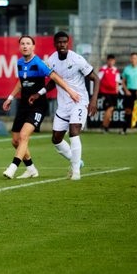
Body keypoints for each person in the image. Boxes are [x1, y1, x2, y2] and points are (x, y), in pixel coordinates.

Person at [1, 35, 81, 180]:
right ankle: (31, 169)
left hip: (38, 106)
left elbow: (56, 78)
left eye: (28, 44)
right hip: (23, 105)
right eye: (23, 44)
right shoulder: (19, 63)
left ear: (33, 47)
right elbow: (21, 82)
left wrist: (71, 92)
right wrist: (10, 97)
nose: (25, 46)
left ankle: (12, 168)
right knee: (15, 140)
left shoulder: (39, 63)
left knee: (24, 136)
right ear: (20, 47)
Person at [29, 32, 99, 181]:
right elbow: (53, 82)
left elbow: (95, 78)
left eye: (65, 42)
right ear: (55, 44)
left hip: (79, 102)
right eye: (60, 42)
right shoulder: (51, 60)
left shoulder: (77, 59)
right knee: (56, 139)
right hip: (63, 105)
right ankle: (77, 162)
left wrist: (94, 100)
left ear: (68, 43)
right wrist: (39, 94)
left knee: (74, 132)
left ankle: (75, 173)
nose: (62, 45)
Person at [98, 54, 121, 133]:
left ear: (114, 61)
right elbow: (98, 80)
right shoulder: (103, 69)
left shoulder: (116, 70)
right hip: (105, 92)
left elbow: (117, 82)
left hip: (113, 93)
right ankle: (104, 125)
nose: (111, 62)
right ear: (107, 61)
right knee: (110, 108)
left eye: (112, 61)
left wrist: (117, 90)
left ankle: (106, 127)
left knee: (111, 110)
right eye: (109, 60)